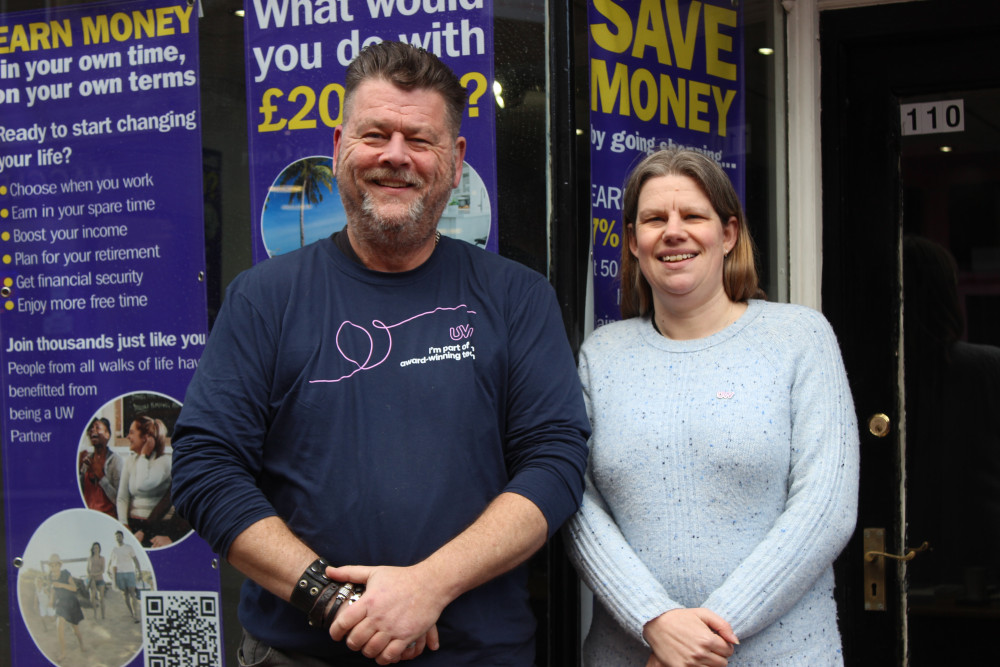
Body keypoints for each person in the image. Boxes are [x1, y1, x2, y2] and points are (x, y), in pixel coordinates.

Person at [171, 40, 589, 666]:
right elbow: (205, 471)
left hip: (476, 655)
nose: (396, 156)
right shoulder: (264, 298)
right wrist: (334, 601)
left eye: (420, 140)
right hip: (298, 654)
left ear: (455, 160)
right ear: (340, 144)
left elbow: (555, 463)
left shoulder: (516, 297)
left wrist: (428, 585)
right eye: (376, 135)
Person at [564, 149, 859, 666]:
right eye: (654, 219)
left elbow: (826, 509)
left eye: (693, 216)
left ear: (728, 234)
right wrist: (654, 620)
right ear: (633, 243)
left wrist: (701, 641)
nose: (673, 232)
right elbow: (577, 506)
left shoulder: (798, 337)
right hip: (631, 654)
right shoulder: (600, 356)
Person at [117, 415, 185, 548]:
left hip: (157, 526)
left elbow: (142, 484)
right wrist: (124, 526)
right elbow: (122, 498)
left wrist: (144, 455)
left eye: (131, 433)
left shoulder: (165, 462)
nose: (127, 437)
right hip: (133, 526)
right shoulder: (130, 461)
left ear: (146, 438)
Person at [78, 417, 123, 518]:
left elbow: (119, 500)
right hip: (87, 518)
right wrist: (78, 470)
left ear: (107, 435)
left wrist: (101, 477)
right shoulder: (86, 460)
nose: (92, 430)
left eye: (97, 427)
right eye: (91, 429)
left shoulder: (116, 461)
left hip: (108, 519)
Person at [46, 553, 86, 660]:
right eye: (52, 565)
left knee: (76, 630)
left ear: (59, 565)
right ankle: (63, 653)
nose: (54, 567)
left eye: (56, 565)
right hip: (60, 604)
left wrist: (61, 585)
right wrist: (50, 603)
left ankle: (81, 643)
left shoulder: (65, 573)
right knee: (59, 626)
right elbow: (52, 591)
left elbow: (74, 588)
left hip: (72, 603)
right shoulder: (50, 576)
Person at [108, 530, 142, 622]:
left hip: (130, 572)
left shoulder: (129, 547)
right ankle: (131, 613)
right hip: (119, 573)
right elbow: (111, 561)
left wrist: (139, 571)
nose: (118, 538)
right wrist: (108, 569)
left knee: (132, 592)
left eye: (119, 536)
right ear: (115, 538)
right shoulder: (114, 549)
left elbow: (135, 559)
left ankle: (135, 614)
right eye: (116, 536)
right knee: (125, 594)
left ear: (122, 537)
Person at [85, 542, 107, 620]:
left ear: (99, 549)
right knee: (93, 597)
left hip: (100, 579)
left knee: (101, 598)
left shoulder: (102, 558)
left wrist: (95, 574)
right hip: (92, 580)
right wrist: (90, 576)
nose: (95, 549)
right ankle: (95, 614)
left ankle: (103, 615)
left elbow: (102, 570)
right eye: (94, 548)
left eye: (97, 547)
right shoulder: (90, 558)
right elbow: (88, 569)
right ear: (92, 549)